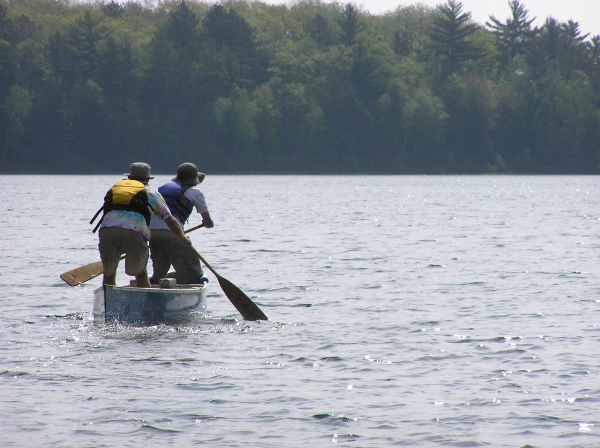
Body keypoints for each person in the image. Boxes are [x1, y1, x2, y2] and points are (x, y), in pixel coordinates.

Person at [90, 162, 190, 288]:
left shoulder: (114, 189)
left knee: (109, 273)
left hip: (107, 231)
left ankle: (108, 303)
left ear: (129, 177)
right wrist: (182, 238)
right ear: (147, 179)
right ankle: (146, 304)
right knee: (140, 273)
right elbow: (170, 220)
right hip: (134, 233)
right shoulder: (150, 192)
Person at [149, 162, 214, 284]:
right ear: (194, 180)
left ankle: (155, 290)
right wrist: (208, 224)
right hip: (173, 233)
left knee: (159, 274)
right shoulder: (195, 193)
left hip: (152, 233)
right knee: (193, 273)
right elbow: (208, 223)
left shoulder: (163, 189)